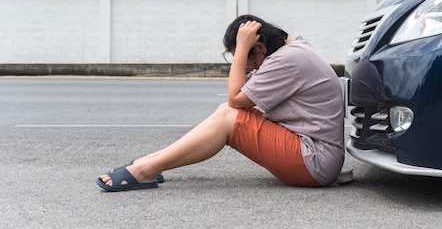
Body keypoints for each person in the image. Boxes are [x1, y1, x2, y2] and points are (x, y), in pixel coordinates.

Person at [97, 15, 345, 191]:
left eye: (248, 61)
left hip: (314, 161)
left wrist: (241, 50)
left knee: (230, 115)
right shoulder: (291, 51)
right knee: (226, 112)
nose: (248, 68)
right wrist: (244, 51)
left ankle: (145, 170)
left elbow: (236, 98)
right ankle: (148, 163)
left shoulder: (285, 60)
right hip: (315, 154)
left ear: (259, 46)